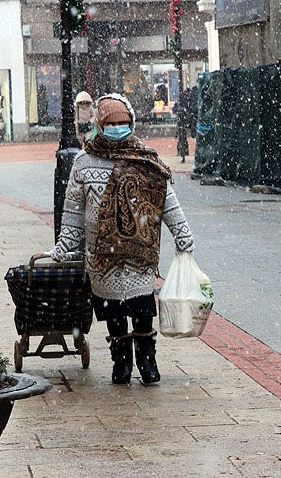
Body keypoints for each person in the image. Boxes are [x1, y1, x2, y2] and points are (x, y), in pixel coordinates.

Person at [47, 94, 194, 386]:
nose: (117, 127)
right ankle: (121, 363)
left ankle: (148, 363)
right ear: (100, 125)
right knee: (113, 314)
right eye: (111, 123)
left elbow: (167, 201)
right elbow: (74, 212)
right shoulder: (84, 162)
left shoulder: (147, 160)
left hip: (139, 256)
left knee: (142, 311)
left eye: (123, 122)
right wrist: (63, 247)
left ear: (132, 123)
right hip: (102, 258)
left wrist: (182, 233)